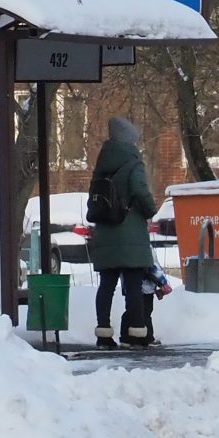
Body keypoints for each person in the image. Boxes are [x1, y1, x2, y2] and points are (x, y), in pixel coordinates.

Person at [88, 115, 160, 349]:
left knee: (106, 285)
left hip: (106, 231)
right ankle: (135, 334)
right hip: (129, 233)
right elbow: (139, 189)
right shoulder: (133, 162)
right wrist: (150, 209)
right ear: (129, 140)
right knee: (133, 285)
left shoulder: (102, 164)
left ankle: (103, 334)